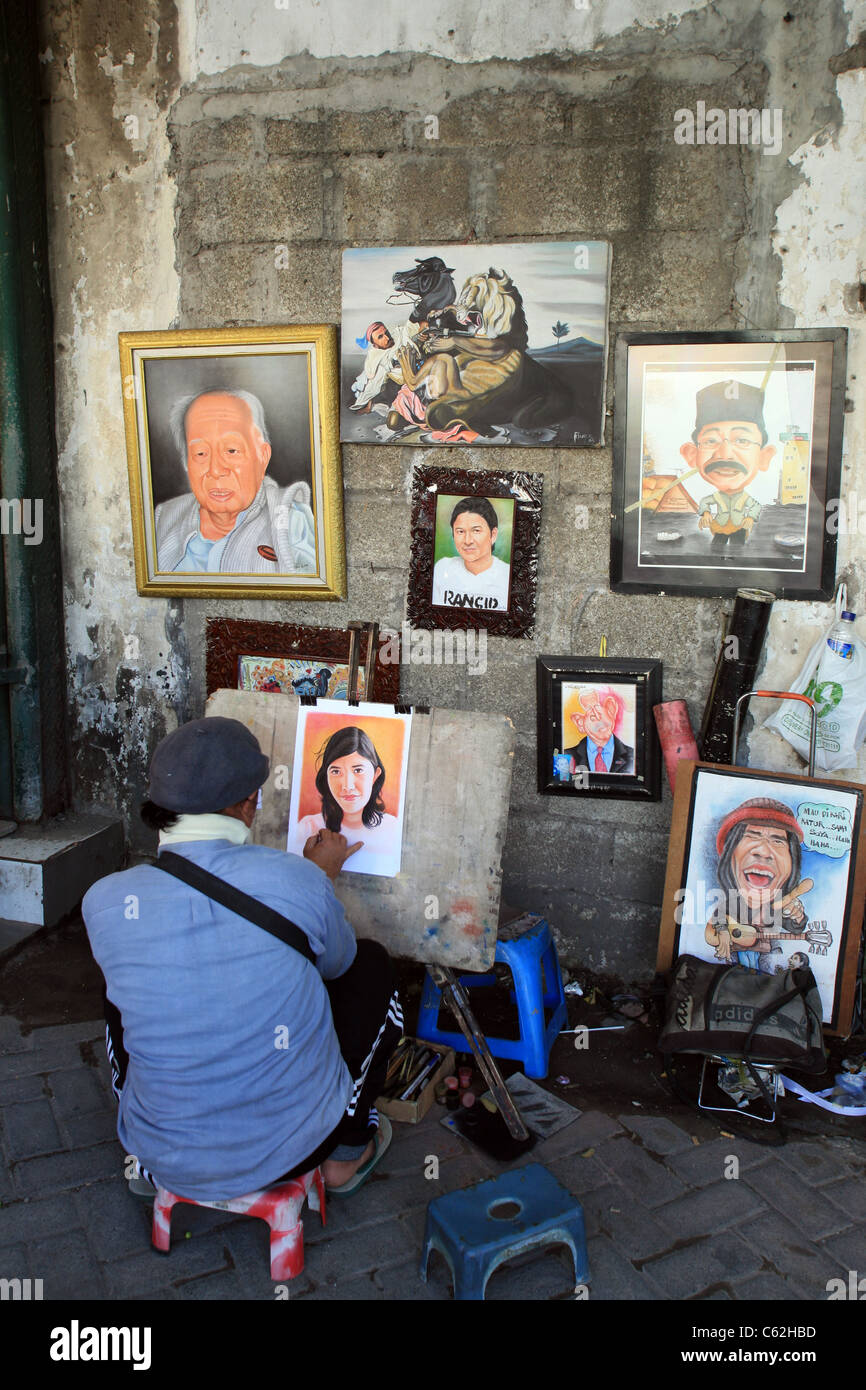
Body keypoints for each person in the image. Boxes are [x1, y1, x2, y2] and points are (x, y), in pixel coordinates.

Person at [82, 717, 403, 1202]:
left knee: (122, 990)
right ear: (247, 803)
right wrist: (320, 880)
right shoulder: (297, 879)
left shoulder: (104, 901)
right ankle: (347, 1149)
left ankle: (154, 1160)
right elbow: (338, 965)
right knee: (372, 966)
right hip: (292, 1148)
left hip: (160, 1151)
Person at [154, 389, 317, 575]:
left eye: (231, 451)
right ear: (185, 461)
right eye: (200, 453)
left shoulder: (291, 523)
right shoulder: (164, 518)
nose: (215, 470)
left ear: (262, 456)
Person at [705, 797, 811, 972]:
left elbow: (793, 925)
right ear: (730, 854)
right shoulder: (732, 902)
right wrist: (723, 931)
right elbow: (718, 917)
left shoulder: (778, 904)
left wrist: (797, 917)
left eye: (778, 841)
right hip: (735, 959)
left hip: (766, 957)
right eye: (751, 836)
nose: (763, 852)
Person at [679, 381, 777, 549]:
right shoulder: (716, 497)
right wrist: (707, 513)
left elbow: (754, 506)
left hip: (739, 528)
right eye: (711, 441)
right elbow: (705, 503)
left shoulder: (745, 498)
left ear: (764, 457)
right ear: (692, 455)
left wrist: (750, 518)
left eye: (742, 440)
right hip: (720, 528)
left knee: (739, 549)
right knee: (716, 549)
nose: (725, 454)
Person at [291, 725, 401, 875]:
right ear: (326, 777)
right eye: (336, 771)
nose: (347, 786)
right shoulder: (308, 828)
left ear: (375, 774)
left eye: (358, 770)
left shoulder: (392, 829)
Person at [431, 497, 511, 610]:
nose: (468, 541)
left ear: (493, 535)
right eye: (460, 531)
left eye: (476, 531)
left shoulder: (508, 577)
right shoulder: (442, 568)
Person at [349, 321, 419, 413]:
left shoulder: (399, 335)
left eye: (386, 333)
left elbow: (414, 327)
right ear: (375, 344)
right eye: (380, 337)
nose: (387, 337)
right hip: (397, 379)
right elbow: (371, 378)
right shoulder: (375, 355)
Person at [563, 688, 634, 774]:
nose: (598, 718)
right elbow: (560, 783)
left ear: (611, 709)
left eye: (599, 709)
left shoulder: (633, 756)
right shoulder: (565, 757)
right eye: (592, 715)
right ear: (580, 723)